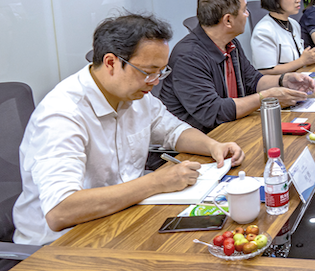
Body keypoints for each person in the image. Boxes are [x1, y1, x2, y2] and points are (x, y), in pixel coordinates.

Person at [12, 14, 245, 245]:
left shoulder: (135, 95)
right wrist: (156, 182)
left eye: (161, 72)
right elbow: (60, 211)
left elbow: (173, 131)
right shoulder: (62, 115)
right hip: (62, 244)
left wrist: (213, 146)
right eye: (148, 72)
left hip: (120, 220)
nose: (155, 81)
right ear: (111, 63)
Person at [160, 0, 315, 133]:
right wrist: (265, 97)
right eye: (244, 10)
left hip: (232, 128)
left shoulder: (231, 44)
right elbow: (213, 113)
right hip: (203, 140)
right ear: (228, 20)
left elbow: (253, 80)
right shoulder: (189, 56)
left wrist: (284, 80)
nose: (248, 15)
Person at [251, 0, 315, 74]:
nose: (298, 0)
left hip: (300, 78)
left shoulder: (294, 24)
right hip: (280, 83)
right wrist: (302, 61)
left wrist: (311, 57)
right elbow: (265, 71)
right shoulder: (263, 30)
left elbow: (297, 60)